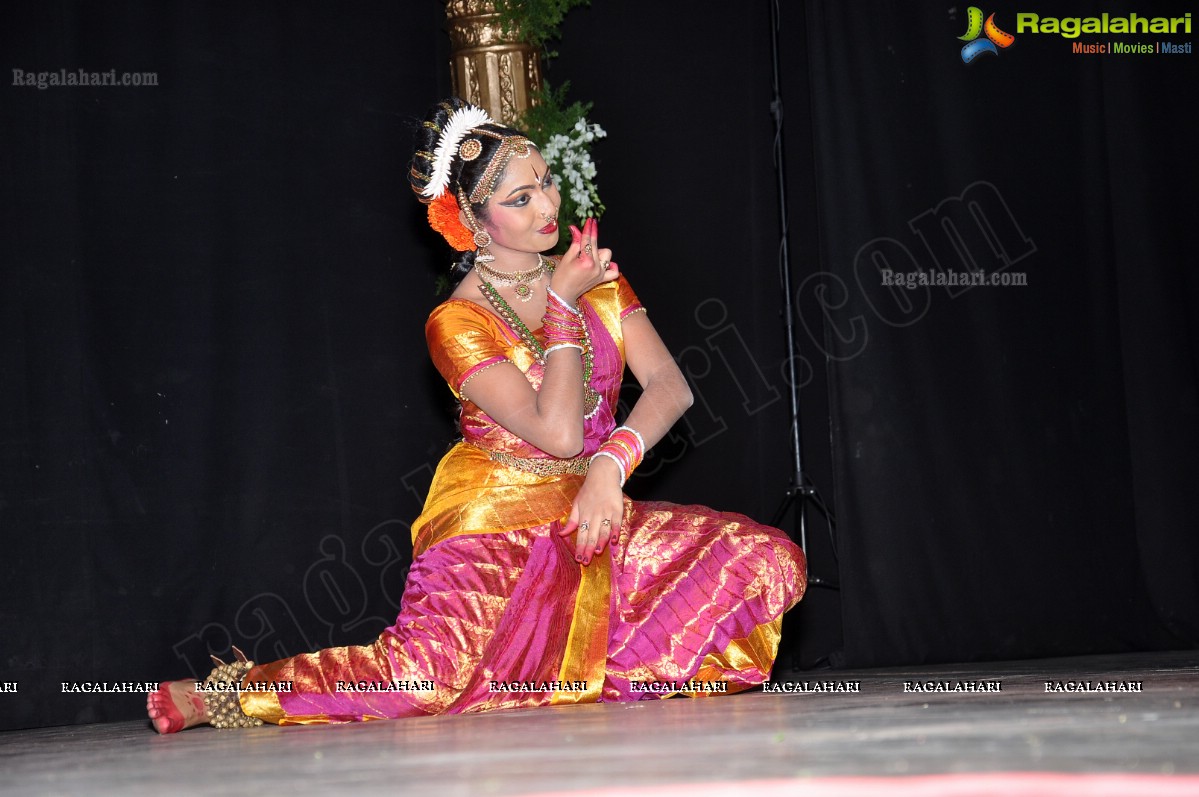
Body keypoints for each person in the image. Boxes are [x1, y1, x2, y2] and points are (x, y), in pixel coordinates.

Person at [147, 98, 806, 732]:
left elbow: (669, 386)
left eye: (545, 183)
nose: (547, 205)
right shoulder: (457, 321)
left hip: (592, 514)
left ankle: (563, 670)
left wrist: (611, 463)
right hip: (494, 529)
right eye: (520, 198)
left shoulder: (594, 277)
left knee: (768, 561)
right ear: (473, 217)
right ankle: (226, 694)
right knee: (418, 680)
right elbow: (557, 431)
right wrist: (563, 308)